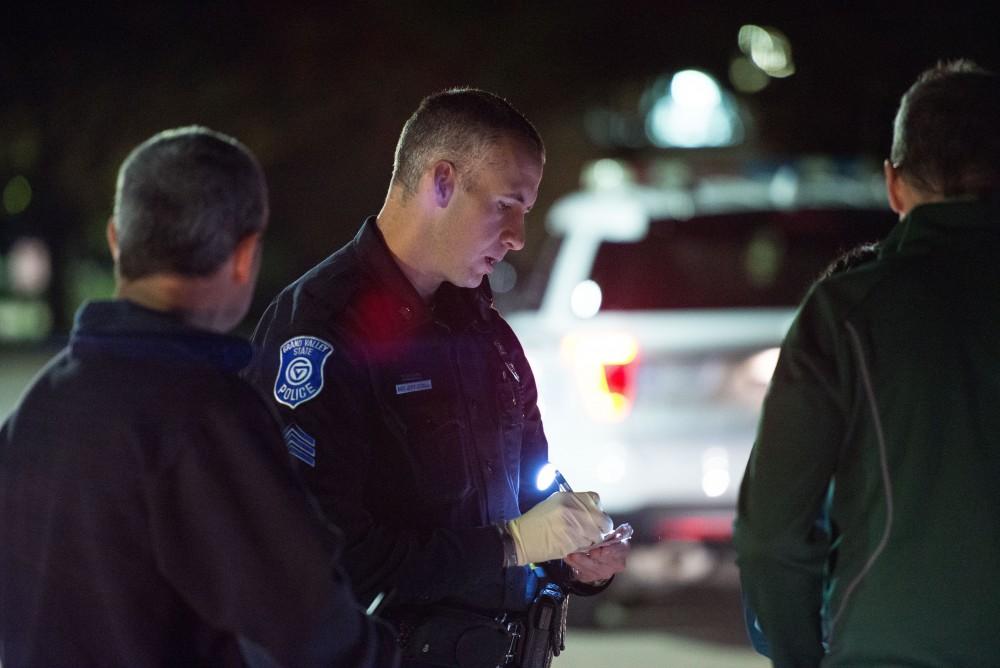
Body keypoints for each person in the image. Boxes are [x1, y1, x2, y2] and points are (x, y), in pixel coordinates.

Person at [243, 88, 629, 667]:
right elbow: (325, 554)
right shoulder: (321, 330)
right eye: (507, 204)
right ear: (441, 182)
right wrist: (512, 544)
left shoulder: (485, 332)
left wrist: (573, 549)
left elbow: (528, 486)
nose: (519, 234)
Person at [0, 127, 398, 667]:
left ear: (117, 240)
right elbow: (317, 637)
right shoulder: (208, 419)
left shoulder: (37, 410)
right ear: (244, 256)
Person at [734, 60, 1000, 666]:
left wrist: (799, 654)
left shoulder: (848, 310)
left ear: (894, 184)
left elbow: (773, 535)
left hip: (888, 646)